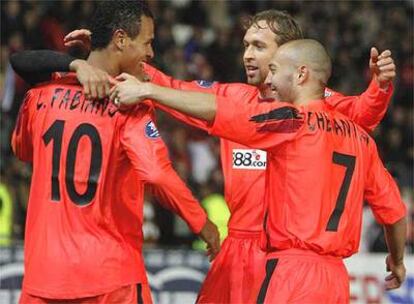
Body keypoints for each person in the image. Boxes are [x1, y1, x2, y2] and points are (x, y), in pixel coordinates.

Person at [10, 10, 397, 304]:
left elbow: (362, 114)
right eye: (245, 44)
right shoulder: (232, 97)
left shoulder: (317, 108)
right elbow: (171, 87)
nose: (247, 54)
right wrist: (111, 53)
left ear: (293, 60)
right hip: (238, 250)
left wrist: (378, 88)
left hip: (282, 257)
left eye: (258, 47)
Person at [109, 38, 408, 303]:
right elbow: (394, 213)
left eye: (275, 69)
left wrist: (148, 90)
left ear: (301, 74)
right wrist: (396, 261)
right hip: (336, 280)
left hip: (290, 272)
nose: (270, 79)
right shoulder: (362, 140)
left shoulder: (291, 122)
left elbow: (219, 111)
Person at [11, 2, 219, 303]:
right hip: (110, 277)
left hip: (43, 279)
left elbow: (22, 149)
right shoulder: (127, 104)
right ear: (121, 40)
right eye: (147, 42)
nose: (151, 53)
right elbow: (157, 174)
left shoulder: (40, 95)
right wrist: (204, 224)